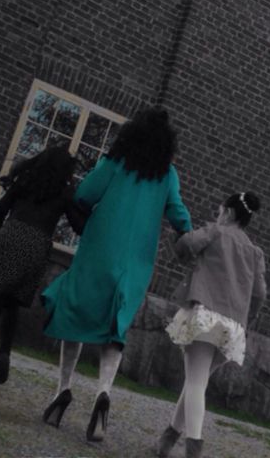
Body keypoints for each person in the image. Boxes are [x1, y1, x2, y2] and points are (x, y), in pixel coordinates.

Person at [40, 104, 192, 443]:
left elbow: (85, 194)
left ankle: (62, 391)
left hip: (99, 250)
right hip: (136, 261)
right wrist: (192, 237)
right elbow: (180, 216)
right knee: (115, 326)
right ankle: (103, 393)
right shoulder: (167, 175)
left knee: (76, 312)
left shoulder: (115, 163)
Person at [0, 143, 88, 406]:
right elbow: (79, 227)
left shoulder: (25, 181)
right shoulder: (64, 192)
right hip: (36, 248)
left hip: (11, 235)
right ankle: (4, 351)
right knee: (12, 301)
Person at [157, 191, 266, 458]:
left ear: (227, 213)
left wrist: (179, 235)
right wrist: (247, 317)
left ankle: (193, 448)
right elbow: (260, 293)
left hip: (207, 314)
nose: (217, 215)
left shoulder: (216, 232)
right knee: (197, 381)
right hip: (234, 325)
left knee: (195, 383)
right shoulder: (255, 252)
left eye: (219, 211)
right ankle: (167, 439)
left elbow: (186, 246)